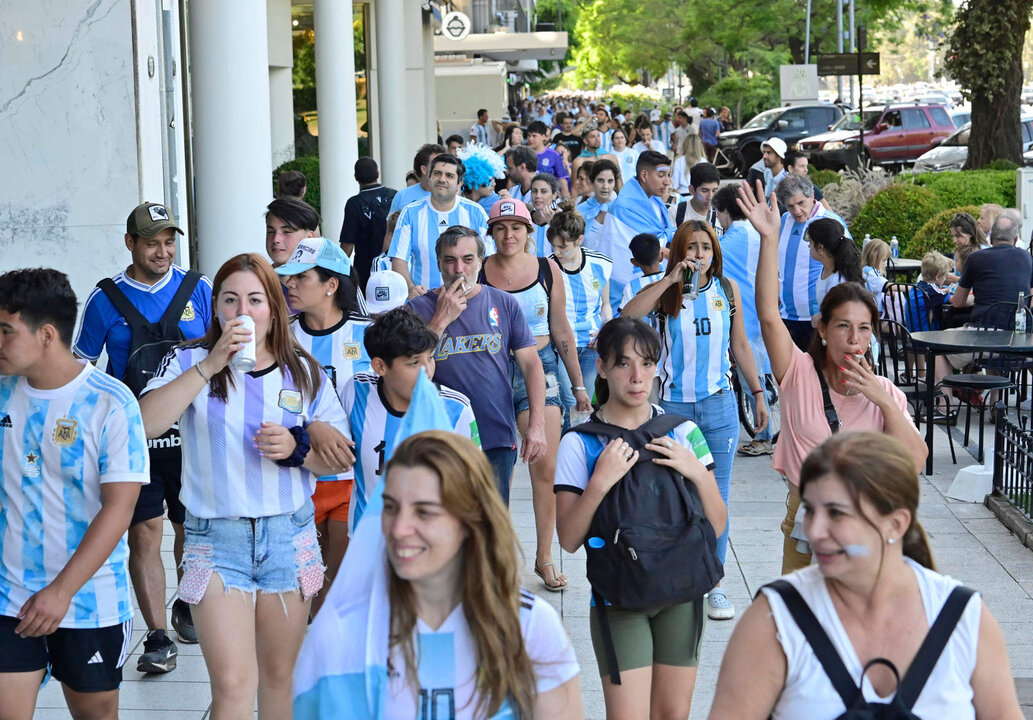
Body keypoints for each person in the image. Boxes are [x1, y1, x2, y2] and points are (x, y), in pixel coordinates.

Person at [138, 253, 352, 719]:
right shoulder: (189, 359)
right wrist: (211, 365)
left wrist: (297, 446)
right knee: (234, 688)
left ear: (273, 309)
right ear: (215, 308)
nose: (242, 311)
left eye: (255, 300)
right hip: (216, 543)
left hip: (288, 538)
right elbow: (144, 425)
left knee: (279, 684)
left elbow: (336, 457)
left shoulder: (304, 370)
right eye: (230, 300)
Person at [708, 432, 1024, 720]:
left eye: (837, 513)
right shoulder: (775, 620)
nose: (814, 531)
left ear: (896, 524)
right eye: (810, 510)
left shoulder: (964, 619)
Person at [736, 181, 926, 574]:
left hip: (866, 530)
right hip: (807, 523)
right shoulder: (798, 373)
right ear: (821, 329)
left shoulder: (885, 394)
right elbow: (768, 314)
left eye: (864, 328)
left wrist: (884, 400)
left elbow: (917, 460)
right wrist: (769, 238)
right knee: (799, 629)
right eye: (843, 327)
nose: (854, 340)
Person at [554, 317, 726, 720]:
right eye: (624, 364)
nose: (637, 377)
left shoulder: (684, 433)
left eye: (648, 364)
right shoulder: (581, 443)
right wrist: (599, 482)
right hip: (620, 600)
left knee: (672, 715)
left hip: (682, 593)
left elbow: (717, 524)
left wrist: (696, 471)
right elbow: (567, 539)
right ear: (602, 367)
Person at [0, 268, 148, 720]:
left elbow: (119, 510)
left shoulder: (111, 402)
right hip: (9, 595)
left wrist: (61, 592)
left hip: (89, 600)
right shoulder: (2, 392)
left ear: (46, 334)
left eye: (6, 331)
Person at [73, 202, 212, 671]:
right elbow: (81, 369)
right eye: (151, 242)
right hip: (134, 434)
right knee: (144, 531)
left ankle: (186, 602)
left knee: (189, 527)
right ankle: (156, 636)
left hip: (194, 432)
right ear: (130, 243)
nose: (162, 250)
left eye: (169, 241)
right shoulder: (104, 300)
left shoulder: (199, 288)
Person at [623, 220, 767, 620]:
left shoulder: (726, 290)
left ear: (715, 253)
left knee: (714, 497)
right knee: (672, 496)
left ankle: (714, 584)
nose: (699, 254)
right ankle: (673, 577)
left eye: (706, 247)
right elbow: (627, 317)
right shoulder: (666, 291)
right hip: (674, 410)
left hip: (719, 406)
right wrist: (669, 279)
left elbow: (739, 345)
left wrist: (757, 392)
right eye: (692, 246)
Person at [480, 200, 591, 591]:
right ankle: (498, 558)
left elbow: (561, 327)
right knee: (498, 471)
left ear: (530, 232)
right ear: (491, 232)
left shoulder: (548, 269)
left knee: (544, 467)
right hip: (491, 368)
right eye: (501, 227)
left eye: (517, 227)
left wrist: (578, 383)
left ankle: (545, 556)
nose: (509, 235)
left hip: (540, 367)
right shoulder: (477, 269)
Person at [408, 225, 548, 505]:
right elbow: (409, 369)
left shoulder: (503, 303)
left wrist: (536, 424)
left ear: (481, 262)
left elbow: (531, 364)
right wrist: (440, 320)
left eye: (468, 259)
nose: (459, 268)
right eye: (450, 260)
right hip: (438, 438)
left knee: (491, 529)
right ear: (438, 264)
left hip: (494, 434)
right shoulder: (415, 309)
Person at [276, 238, 371, 617]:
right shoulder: (279, 337)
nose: (290, 285)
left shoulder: (369, 333)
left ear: (331, 285)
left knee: (338, 587)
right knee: (304, 590)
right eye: (288, 278)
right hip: (298, 480)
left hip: (353, 478)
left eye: (301, 278)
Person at [341, 308, 478, 532]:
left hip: (430, 548)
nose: (427, 371)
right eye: (414, 363)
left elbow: (473, 488)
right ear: (380, 366)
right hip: (366, 545)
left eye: (431, 358)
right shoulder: (357, 391)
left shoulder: (456, 409)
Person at [712, 184, 775, 458]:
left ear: (724, 211)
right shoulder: (759, 233)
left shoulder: (724, 244)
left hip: (745, 318)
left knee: (753, 380)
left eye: (718, 212)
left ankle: (763, 436)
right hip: (767, 312)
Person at [389, 154, 490, 298]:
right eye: (437, 173)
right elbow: (399, 260)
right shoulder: (410, 213)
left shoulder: (476, 213)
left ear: (460, 183)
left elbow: (489, 259)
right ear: (429, 178)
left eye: (449, 175)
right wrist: (411, 289)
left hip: (468, 299)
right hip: (425, 301)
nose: (442, 179)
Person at [589, 151, 676, 315]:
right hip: (629, 287)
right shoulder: (624, 207)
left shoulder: (655, 198)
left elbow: (664, 234)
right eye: (662, 175)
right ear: (644, 175)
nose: (668, 182)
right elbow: (649, 248)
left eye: (668, 175)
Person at [549, 203, 613, 423]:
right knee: (571, 400)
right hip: (563, 346)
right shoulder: (548, 267)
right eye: (554, 246)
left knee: (584, 405)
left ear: (579, 240)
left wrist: (606, 331)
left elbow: (605, 305)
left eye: (562, 247)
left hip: (592, 344)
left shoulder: (601, 263)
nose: (557, 252)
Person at [774, 174, 851, 351]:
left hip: (817, 319)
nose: (797, 211)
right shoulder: (784, 220)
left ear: (812, 197)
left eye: (801, 203)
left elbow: (849, 265)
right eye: (790, 206)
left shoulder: (831, 222)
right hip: (786, 316)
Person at [950, 209, 1033, 323]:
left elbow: (958, 302)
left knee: (948, 333)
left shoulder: (975, 258)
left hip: (984, 330)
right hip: (1019, 330)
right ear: (1015, 240)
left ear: (992, 237)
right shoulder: (1027, 257)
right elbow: (1030, 301)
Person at [340, 157, 397, 291]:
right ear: (378, 174)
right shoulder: (394, 195)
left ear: (356, 177)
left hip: (365, 269)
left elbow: (347, 244)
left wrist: (337, 268)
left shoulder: (354, 204)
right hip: (393, 264)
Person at [808, 217, 864, 325]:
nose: (808, 245)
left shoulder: (838, 282)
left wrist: (819, 320)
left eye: (810, 242)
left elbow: (841, 318)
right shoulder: (826, 270)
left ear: (820, 247)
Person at [390, 143, 447, 214]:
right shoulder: (402, 196)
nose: (442, 168)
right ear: (424, 169)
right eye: (436, 164)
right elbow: (392, 224)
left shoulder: (451, 196)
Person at [266, 196, 320, 268]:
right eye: (271, 232)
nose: (275, 239)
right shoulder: (256, 278)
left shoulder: (324, 278)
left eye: (286, 232)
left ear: (309, 237)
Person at [618, 233, 665, 313]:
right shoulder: (672, 277)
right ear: (661, 256)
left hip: (640, 326)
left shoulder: (631, 287)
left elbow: (625, 316)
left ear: (634, 262)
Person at [577, 159, 619, 242]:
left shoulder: (620, 210)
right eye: (600, 180)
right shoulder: (579, 211)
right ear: (592, 181)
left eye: (610, 181)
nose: (605, 186)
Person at [671, 162, 721, 231]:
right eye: (704, 191)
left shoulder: (721, 215)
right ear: (692, 190)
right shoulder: (675, 213)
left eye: (714, 191)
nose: (710, 197)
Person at [527, 120, 571, 197]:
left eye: (534, 136)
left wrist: (565, 202)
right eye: (528, 135)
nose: (530, 139)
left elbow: (562, 180)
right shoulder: (523, 154)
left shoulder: (554, 155)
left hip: (548, 199)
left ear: (543, 137)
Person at [528, 172, 564, 257]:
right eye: (534, 191)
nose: (538, 196)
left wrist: (555, 227)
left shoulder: (564, 220)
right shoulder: (525, 220)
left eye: (543, 191)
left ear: (554, 195)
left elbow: (566, 252)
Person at [946, 211, 986, 283]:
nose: (954, 240)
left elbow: (982, 283)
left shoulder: (984, 253)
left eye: (958, 236)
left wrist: (957, 279)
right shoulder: (959, 252)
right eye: (953, 236)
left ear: (970, 234)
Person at [860, 238, 891, 313]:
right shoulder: (870, 272)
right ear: (875, 258)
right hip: (871, 311)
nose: (885, 263)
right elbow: (889, 285)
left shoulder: (864, 270)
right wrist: (914, 287)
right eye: (883, 260)